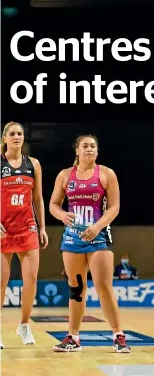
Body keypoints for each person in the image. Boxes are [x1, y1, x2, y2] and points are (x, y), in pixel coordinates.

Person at [49, 135, 130, 353]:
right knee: (76, 289)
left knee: (104, 287)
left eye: (93, 146)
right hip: (72, 240)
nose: (89, 149)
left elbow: (114, 208)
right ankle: (73, 337)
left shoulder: (106, 174)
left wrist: (97, 227)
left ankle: (118, 335)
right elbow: (53, 205)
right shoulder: (65, 175)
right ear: (77, 150)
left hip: (99, 238)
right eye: (85, 146)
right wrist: (62, 215)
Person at [1, 121, 48, 349]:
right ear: (5, 138)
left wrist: (42, 227)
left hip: (27, 227)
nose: (17, 136)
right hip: (3, 230)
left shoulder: (34, 164)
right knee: (2, 281)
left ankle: (24, 325)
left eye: (20, 133)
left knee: (31, 279)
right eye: (12, 133)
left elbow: (38, 199)